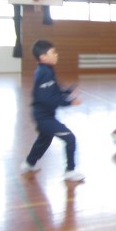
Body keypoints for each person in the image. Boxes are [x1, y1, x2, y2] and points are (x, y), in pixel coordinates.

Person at [20, 40, 85, 182]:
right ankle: (70, 171)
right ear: (43, 57)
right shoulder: (44, 73)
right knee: (70, 138)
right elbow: (48, 99)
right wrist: (69, 102)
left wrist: (69, 91)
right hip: (44, 118)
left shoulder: (47, 70)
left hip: (45, 115)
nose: (56, 55)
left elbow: (54, 90)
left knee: (44, 139)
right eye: (53, 53)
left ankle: (29, 163)